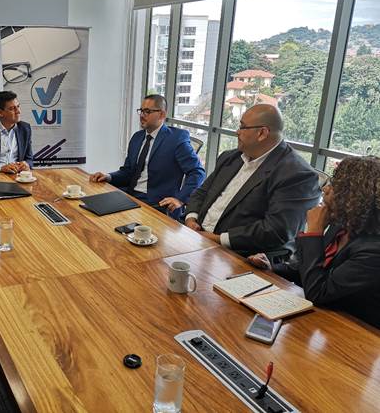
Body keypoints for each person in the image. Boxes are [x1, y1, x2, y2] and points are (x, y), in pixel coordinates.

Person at [248, 156, 380, 329]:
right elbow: (309, 269)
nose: (325, 189)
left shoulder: (373, 250)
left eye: (336, 186)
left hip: (354, 332)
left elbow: (318, 292)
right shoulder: (343, 225)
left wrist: (314, 232)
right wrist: (272, 267)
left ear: (355, 196)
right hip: (324, 318)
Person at [184, 104, 320, 257]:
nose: (237, 132)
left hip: (240, 254)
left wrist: (218, 239)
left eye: (242, 127)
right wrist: (191, 218)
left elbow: (276, 230)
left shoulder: (297, 175)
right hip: (197, 238)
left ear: (262, 133)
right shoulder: (231, 157)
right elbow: (202, 192)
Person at [89, 94, 205, 219]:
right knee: (89, 208)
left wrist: (180, 199)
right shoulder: (137, 137)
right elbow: (128, 172)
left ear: (161, 114)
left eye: (147, 111)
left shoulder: (176, 138)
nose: (142, 115)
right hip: (129, 195)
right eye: (141, 111)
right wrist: (108, 176)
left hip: (157, 204)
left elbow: (197, 172)